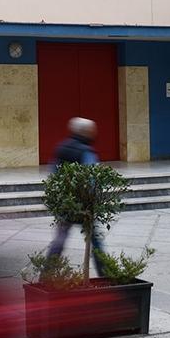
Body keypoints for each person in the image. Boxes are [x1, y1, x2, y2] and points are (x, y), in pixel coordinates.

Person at [45, 117, 110, 276]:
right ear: (86, 132)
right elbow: (92, 178)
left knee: (59, 240)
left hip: (66, 203)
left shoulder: (61, 147)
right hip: (83, 205)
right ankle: (105, 273)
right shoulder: (86, 151)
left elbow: (53, 173)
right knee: (95, 241)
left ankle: (47, 272)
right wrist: (94, 201)